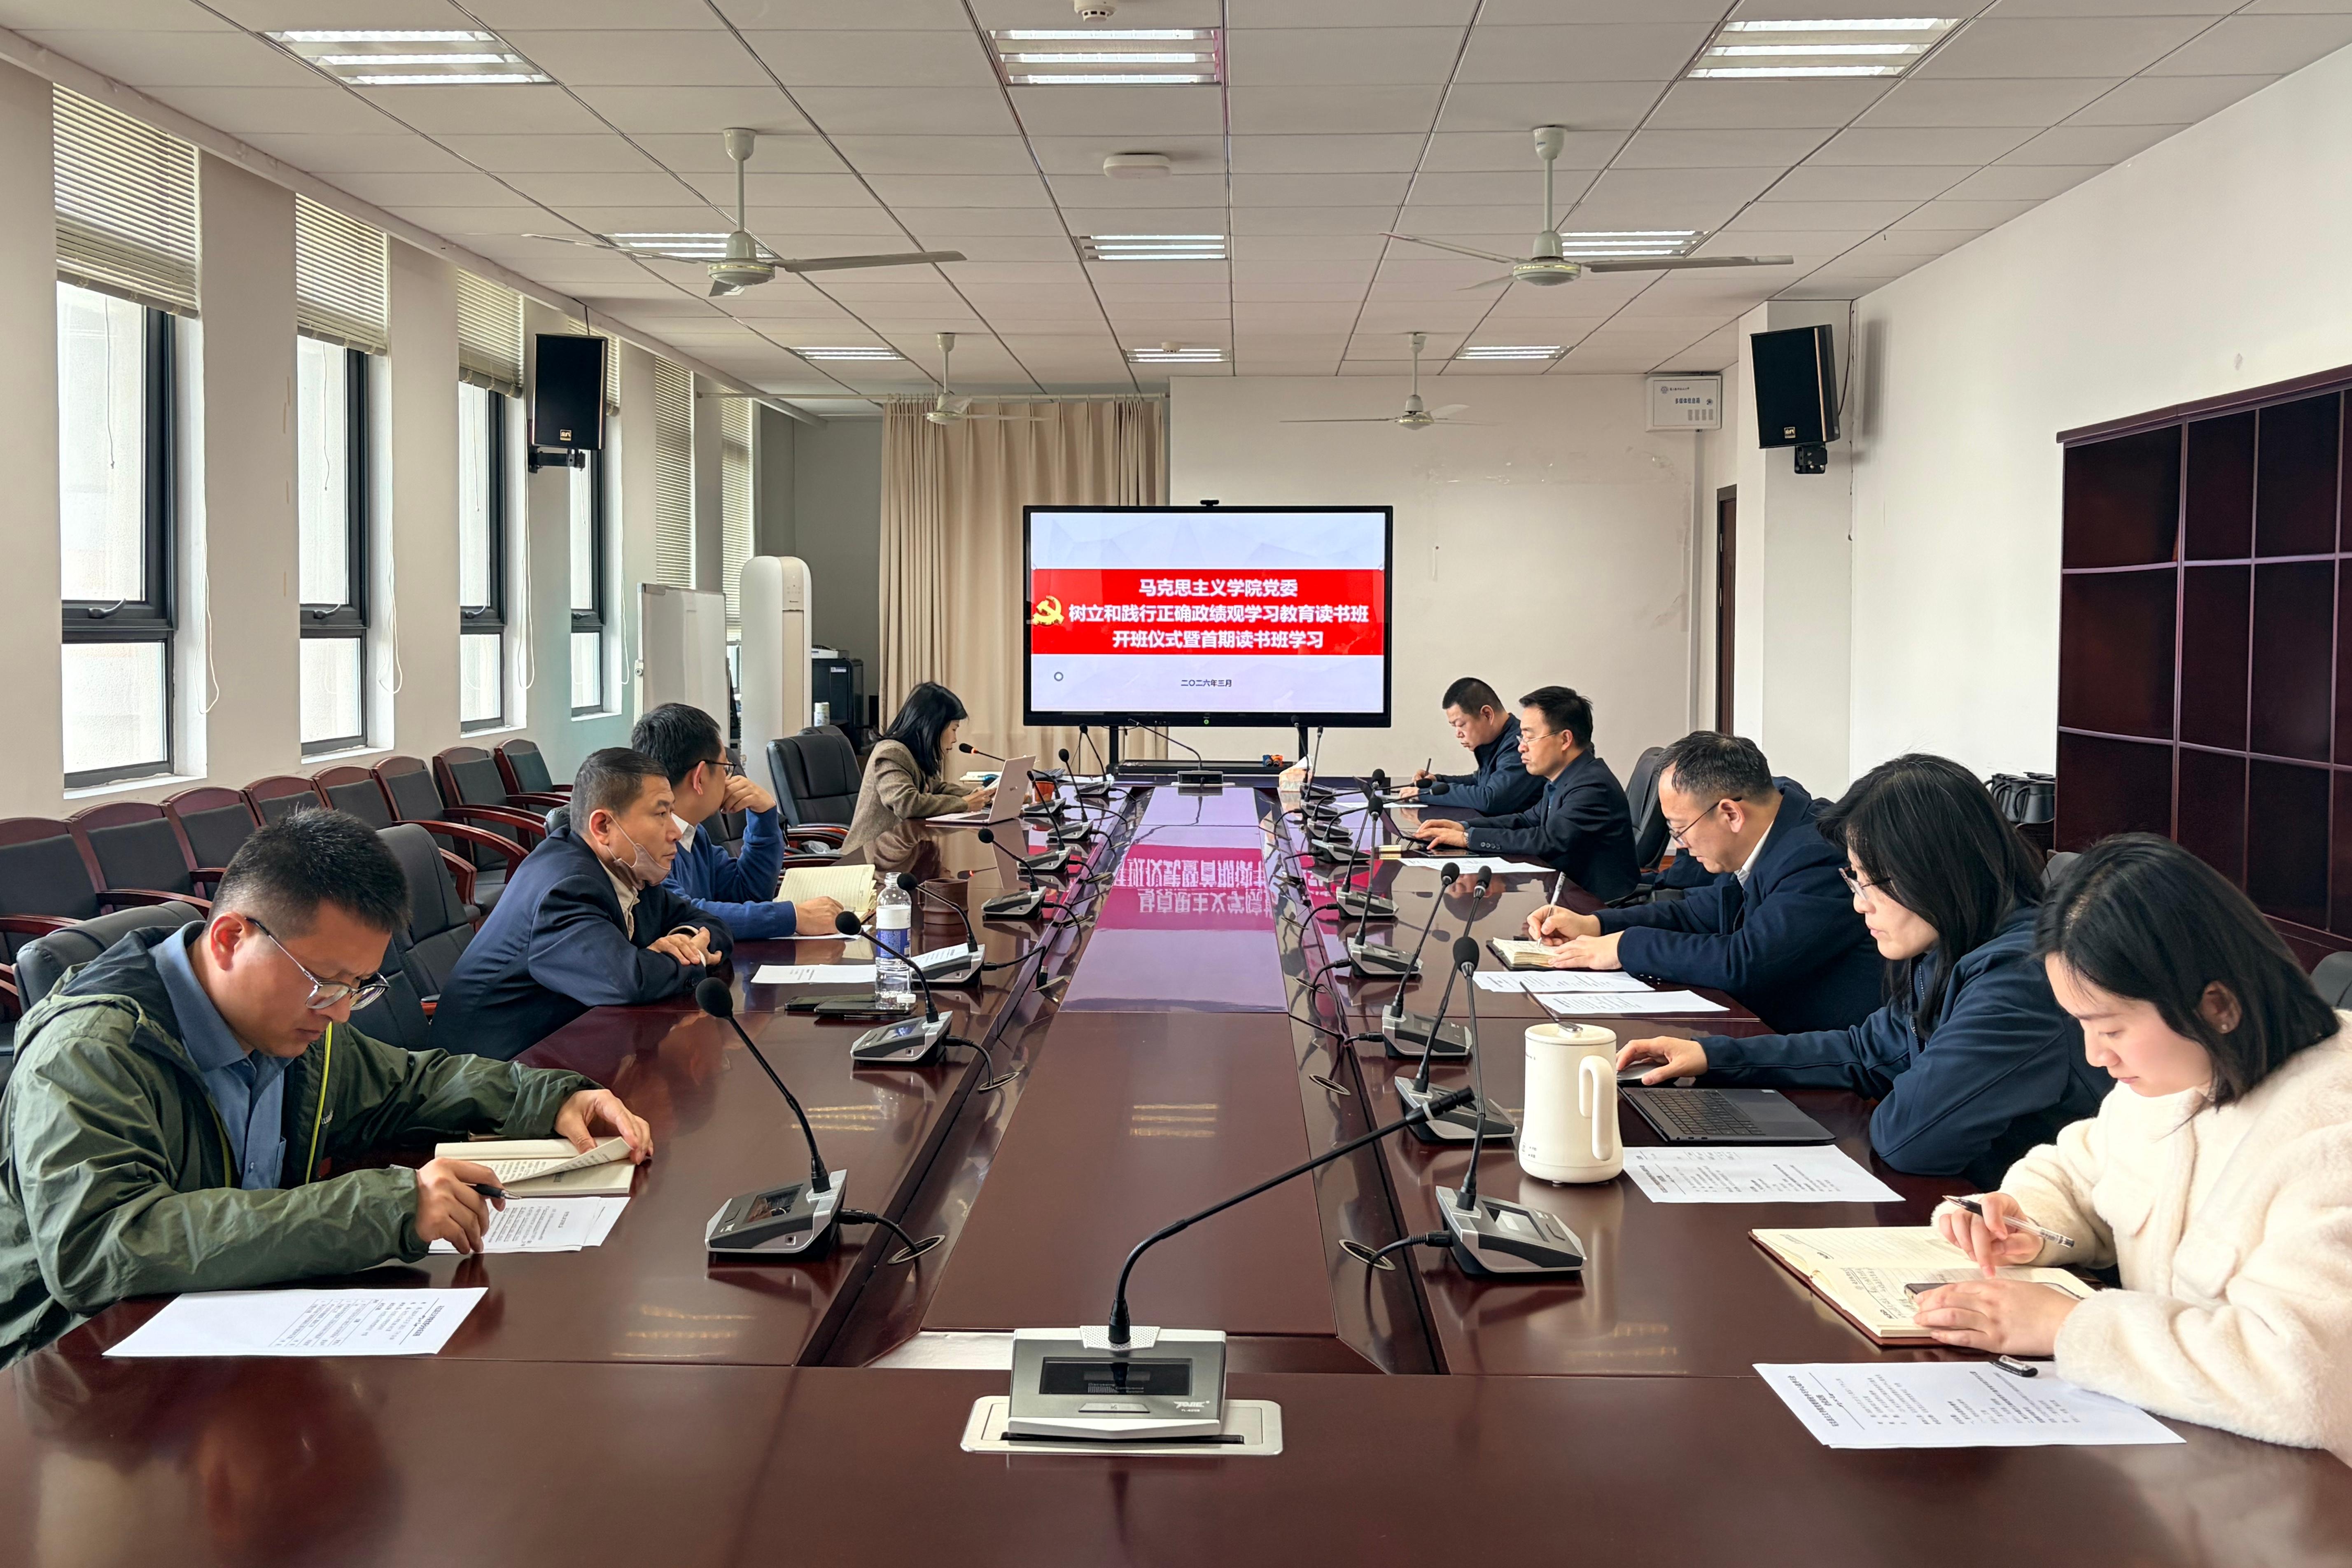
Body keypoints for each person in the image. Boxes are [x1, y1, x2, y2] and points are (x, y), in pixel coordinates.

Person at [0, 812, 651, 1363]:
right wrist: (386, 1209)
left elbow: (410, 1083)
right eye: (325, 983)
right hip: (73, 1371)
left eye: (359, 987)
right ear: (230, 939)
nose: (340, 1012)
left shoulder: (292, 1029)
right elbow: (102, 1247)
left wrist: (551, 1098)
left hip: (223, 1334)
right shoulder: (88, 1053)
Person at [1914, 834, 2352, 1452]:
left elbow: (2304, 1380)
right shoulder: (2183, 1073)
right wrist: (2024, 1219)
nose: (2096, 1056)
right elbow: (2078, 1169)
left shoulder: (2330, 1130)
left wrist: (2069, 1326)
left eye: (2111, 1029)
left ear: (2216, 1006)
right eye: (2082, 1026)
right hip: (2189, 1449)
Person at [1615, 753, 2107, 1185]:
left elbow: (1909, 1139)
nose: (1859, 904)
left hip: (2033, 1233)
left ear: (1935, 872)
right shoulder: (1949, 946)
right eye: (1856, 880)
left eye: (1871, 883)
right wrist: (1713, 1056)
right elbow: (1868, 1049)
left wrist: (1910, 1075)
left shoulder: (2019, 978)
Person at [1524, 731, 1881, 1034]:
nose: (1680, 845)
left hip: (1814, 1056)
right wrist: (1596, 924)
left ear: (1731, 814)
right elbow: (1700, 913)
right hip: (1760, 1029)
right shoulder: (1769, 827)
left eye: (1681, 829)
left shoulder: (1817, 856)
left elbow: (1745, 962)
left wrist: (1624, 948)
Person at [434, 747, 735, 1062]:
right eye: (661, 814)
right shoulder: (566, 889)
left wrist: (685, 939)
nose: (675, 831)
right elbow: (627, 982)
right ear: (603, 826)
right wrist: (694, 957)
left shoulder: (629, 869)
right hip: (491, 1073)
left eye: (672, 812)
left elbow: (712, 925)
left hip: (562, 1053)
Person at [631, 702, 845, 939]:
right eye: (725, 768)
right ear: (700, 778)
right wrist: (794, 917)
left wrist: (763, 816)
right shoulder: (646, 844)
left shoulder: (694, 834)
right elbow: (683, 913)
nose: (729, 779)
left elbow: (748, 892)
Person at [1411, 686, 1639, 903]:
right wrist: (1463, 827)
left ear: (1565, 740)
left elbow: (1547, 840)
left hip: (1600, 908)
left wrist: (1468, 839)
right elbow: (1526, 820)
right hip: (1568, 897)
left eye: (1530, 737)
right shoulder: (1564, 778)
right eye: (1522, 738)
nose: (1522, 747)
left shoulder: (1591, 786)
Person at [838, 681, 994, 861]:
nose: (955, 739)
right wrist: (964, 804)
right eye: (954, 729)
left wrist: (981, 796)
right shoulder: (891, 753)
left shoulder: (912, 754)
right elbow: (907, 804)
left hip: (897, 855)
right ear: (933, 726)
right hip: (868, 861)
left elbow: (937, 788)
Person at [1395, 677, 1543, 815]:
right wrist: (1437, 781)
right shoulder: (1497, 740)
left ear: (1487, 714)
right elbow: (1479, 782)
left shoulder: (1520, 745)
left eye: (1461, 725)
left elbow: (1491, 799)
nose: (1458, 734)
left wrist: (1426, 793)